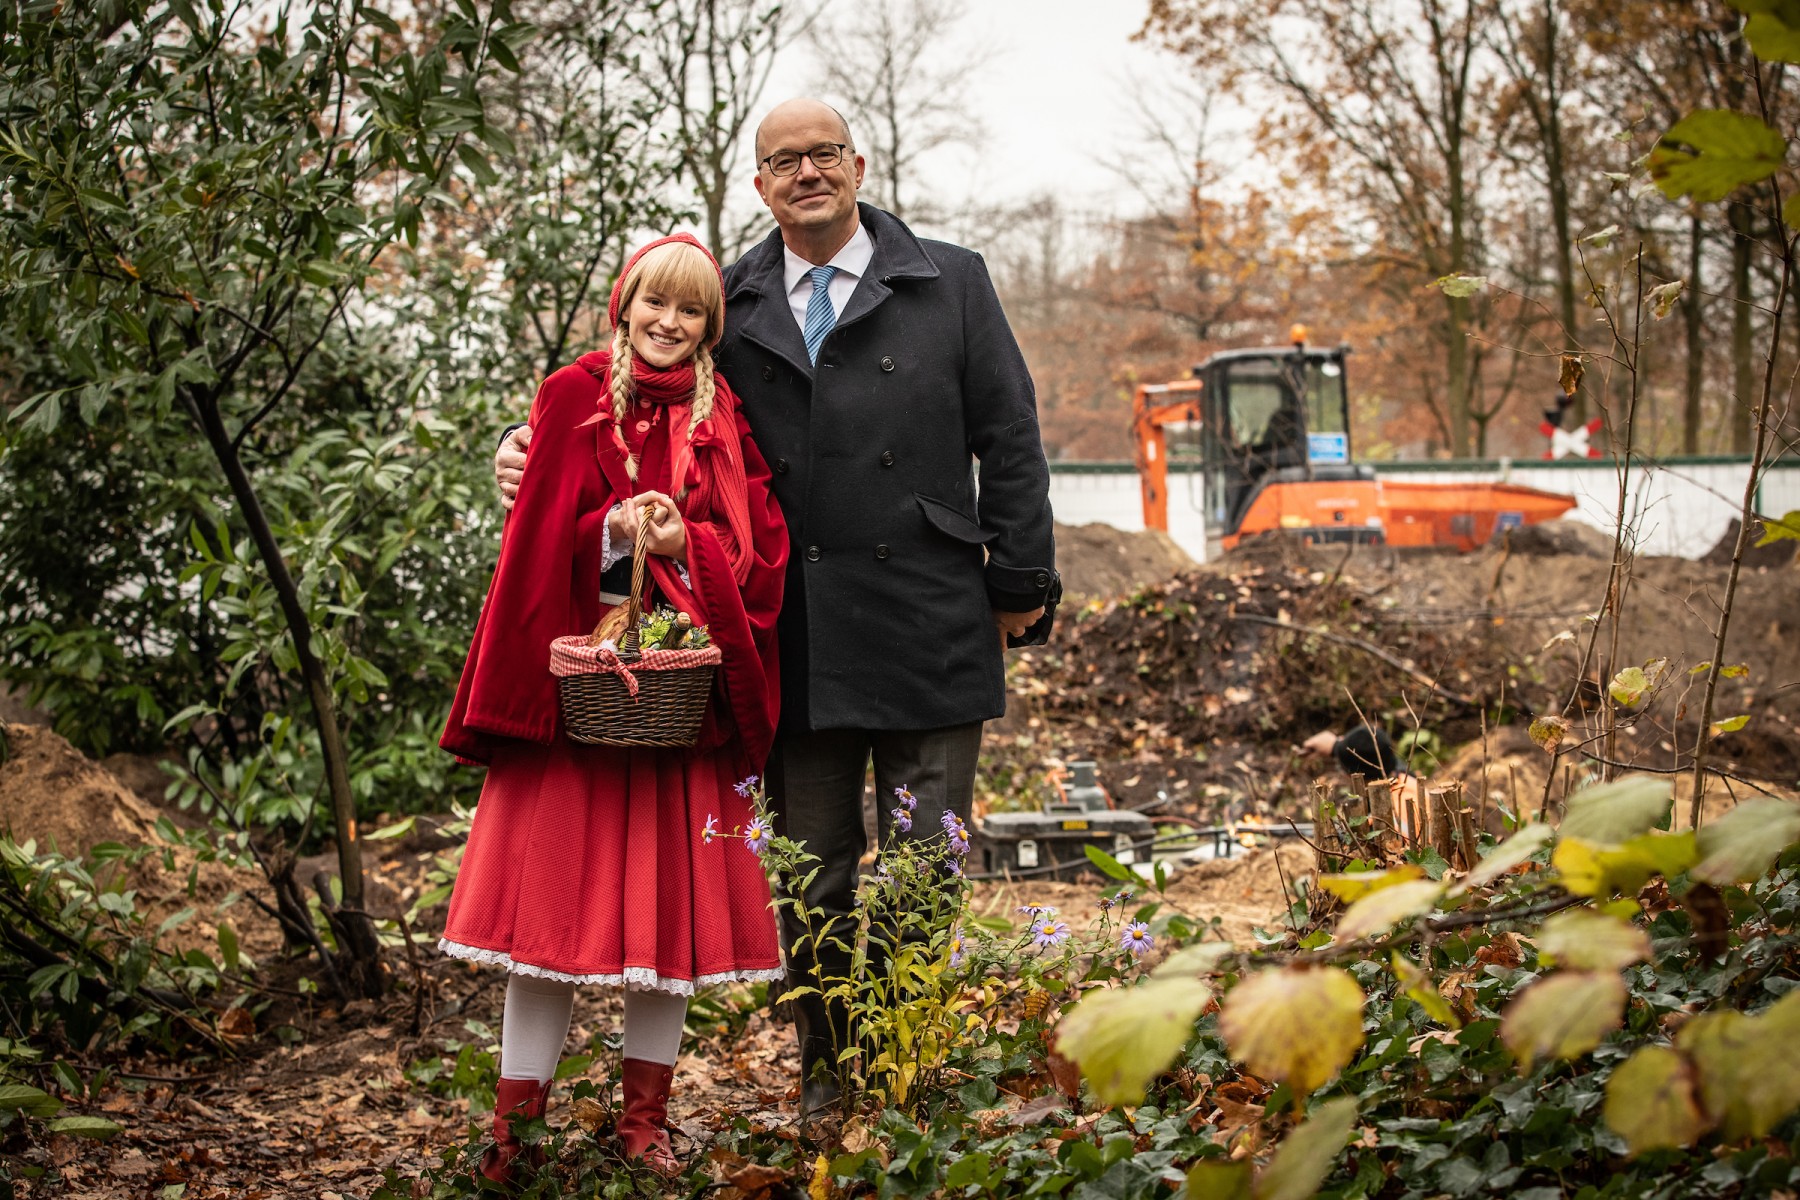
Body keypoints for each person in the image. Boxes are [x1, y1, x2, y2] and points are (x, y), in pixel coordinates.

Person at [494, 99, 1059, 1114]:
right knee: (817, 873)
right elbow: (646, 403)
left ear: (857, 164)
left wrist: (1020, 584)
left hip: (933, 610)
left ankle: (906, 1061)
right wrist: (530, 455)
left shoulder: (953, 279)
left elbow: (1010, 436)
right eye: (783, 161)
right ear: (759, 185)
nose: (807, 172)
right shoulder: (736, 296)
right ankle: (829, 1078)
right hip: (801, 630)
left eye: (823, 154)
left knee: (928, 858)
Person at [442, 233, 790, 1181]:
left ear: (710, 326)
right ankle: (516, 1129)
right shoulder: (572, 395)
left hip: (675, 712)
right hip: (576, 707)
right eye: (654, 304)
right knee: (542, 937)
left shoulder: (726, 421)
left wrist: (686, 541)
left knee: (664, 928)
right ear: (623, 304)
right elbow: (535, 535)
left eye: (689, 311)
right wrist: (608, 530)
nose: (667, 324)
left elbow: (757, 550)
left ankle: (644, 1121)